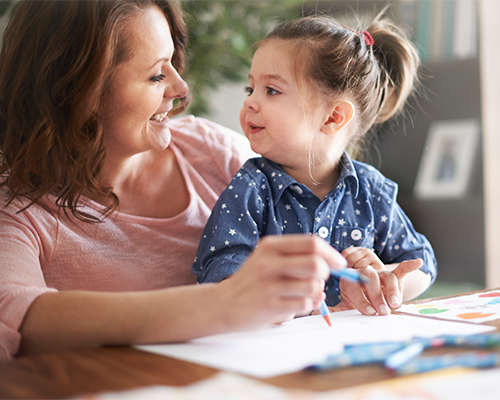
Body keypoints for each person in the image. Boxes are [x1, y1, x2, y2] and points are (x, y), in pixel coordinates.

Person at [0, 0, 351, 360]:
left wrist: (359, 272)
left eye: (172, 63)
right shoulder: (17, 209)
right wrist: (223, 303)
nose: (181, 87)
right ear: (75, 90)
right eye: (156, 75)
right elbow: (14, 317)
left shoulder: (213, 153)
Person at [193, 14, 437, 315]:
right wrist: (278, 294)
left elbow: (422, 264)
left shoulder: (372, 191)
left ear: (333, 117)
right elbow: (219, 280)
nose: (250, 102)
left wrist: (384, 280)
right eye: (250, 89)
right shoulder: (250, 189)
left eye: (271, 90)